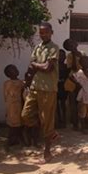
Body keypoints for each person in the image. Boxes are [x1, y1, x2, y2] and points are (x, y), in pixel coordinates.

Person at [21, 22, 60, 163]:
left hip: (48, 89)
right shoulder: (37, 47)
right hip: (34, 87)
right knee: (25, 115)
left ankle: (47, 152)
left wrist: (36, 65)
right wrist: (27, 80)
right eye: (41, 32)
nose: (43, 35)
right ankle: (50, 132)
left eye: (46, 32)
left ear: (51, 32)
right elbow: (32, 67)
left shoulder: (54, 48)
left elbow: (48, 67)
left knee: (47, 120)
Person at [63, 38, 84, 131]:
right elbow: (73, 68)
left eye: (72, 42)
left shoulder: (83, 53)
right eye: (70, 45)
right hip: (73, 80)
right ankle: (75, 123)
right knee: (73, 103)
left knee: (83, 102)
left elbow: (85, 65)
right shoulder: (69, 56)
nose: (72, 45)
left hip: (82, 79)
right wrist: (74, 55)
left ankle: (84, 122)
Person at [3, 64, 24, 151]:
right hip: (12, 108)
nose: (16, 70)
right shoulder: (8, 84)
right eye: (13, 70)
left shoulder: (21, 82)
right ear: (9, 74)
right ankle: (8, 144)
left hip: (19, 106)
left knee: (19, 125)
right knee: (13, 126)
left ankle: (17, 140)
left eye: (16, 68)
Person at [56, 49, 68, 128]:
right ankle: (59, 120)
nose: (61, 57)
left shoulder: (66, 66)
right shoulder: (54, 66)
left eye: (63, 55)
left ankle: (64, 120)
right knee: (56, 104)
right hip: (56, 86)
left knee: (63, 104)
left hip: (64, 86)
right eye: (60, 55)